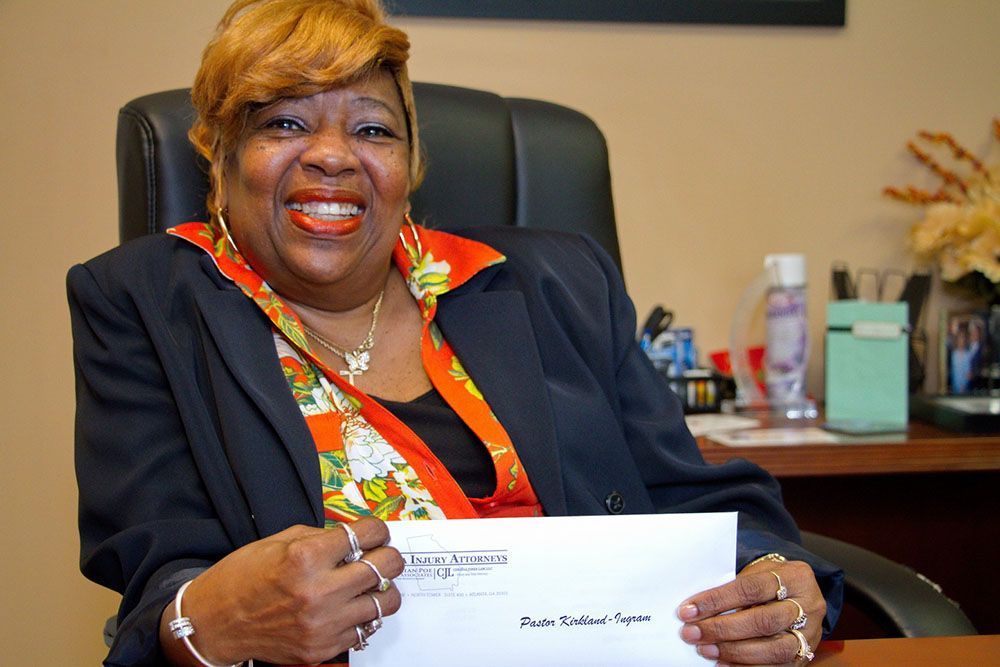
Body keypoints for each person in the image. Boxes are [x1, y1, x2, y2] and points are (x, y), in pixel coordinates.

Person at [68, 0, 842, 665]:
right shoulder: (141, 301)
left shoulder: (557, 281)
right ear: (219, 154)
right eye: (285, 122)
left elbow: (693, 495)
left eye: (374, 129)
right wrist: (207, 619)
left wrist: (774, 577)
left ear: (410, 165)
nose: (333, 155)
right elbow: (161, 574)